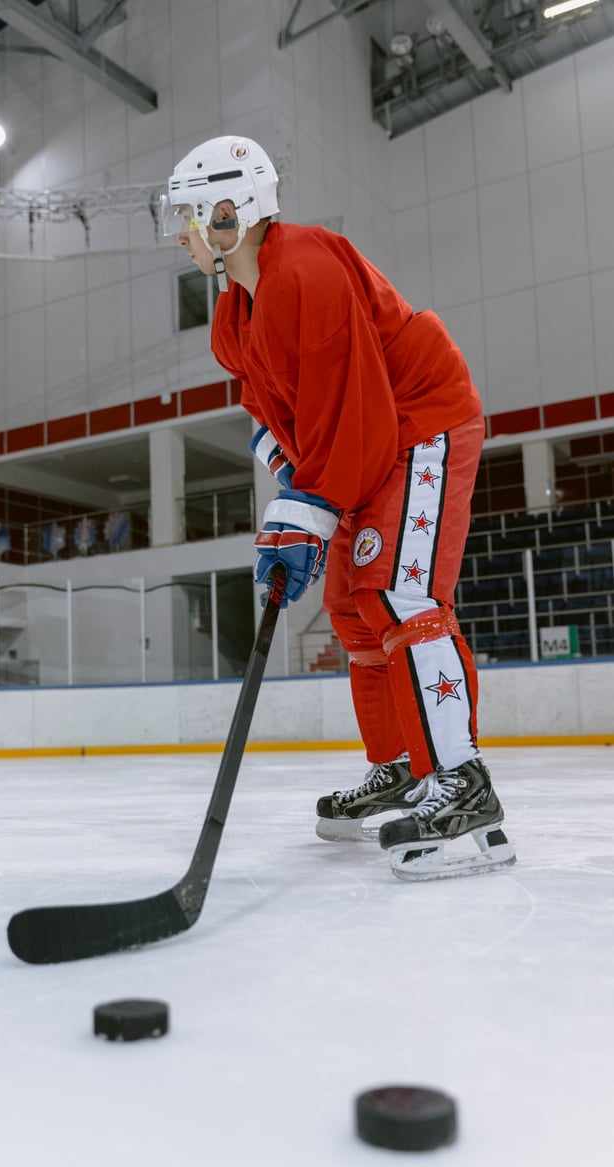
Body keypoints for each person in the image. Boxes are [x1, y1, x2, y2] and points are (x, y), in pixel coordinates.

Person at [159, 135, 516, 882]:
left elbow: (360, 412)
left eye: (189, 218)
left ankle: (462, 778)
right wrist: (294, 513)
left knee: (398, 589)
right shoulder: (237, 309)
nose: (182, 235)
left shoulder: (308, 269)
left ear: (229, 215)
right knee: (353, 607)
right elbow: (274, 417)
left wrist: (311, 507)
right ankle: (398, 766)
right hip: (369, 442)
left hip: (422, 421)